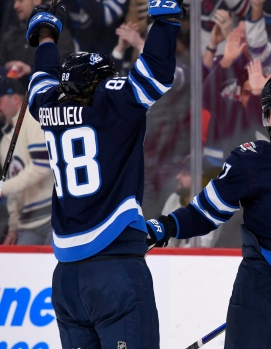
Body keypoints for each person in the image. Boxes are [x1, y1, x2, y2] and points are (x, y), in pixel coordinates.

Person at [25, 0, 183, 346]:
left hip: (66, 278)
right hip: (114, 268)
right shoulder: (112, 102)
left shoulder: (50, 104)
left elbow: (41, 79)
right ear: (100, 83)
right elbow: (156, 72)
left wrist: (47, 33)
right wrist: (166, 17)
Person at [146, 72, 271, 349]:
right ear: (266, 118)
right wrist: (166, 226)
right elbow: (205, 211)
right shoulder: (249, 160)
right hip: (261, 279)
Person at [0, 76, 54, 245]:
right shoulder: (5, 141)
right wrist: (13, 226)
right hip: (27, 222)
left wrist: (3, 187)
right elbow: (13, 187)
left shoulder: (33, 118)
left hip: (54, 216)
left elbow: (42, 166)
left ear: (15, 99)